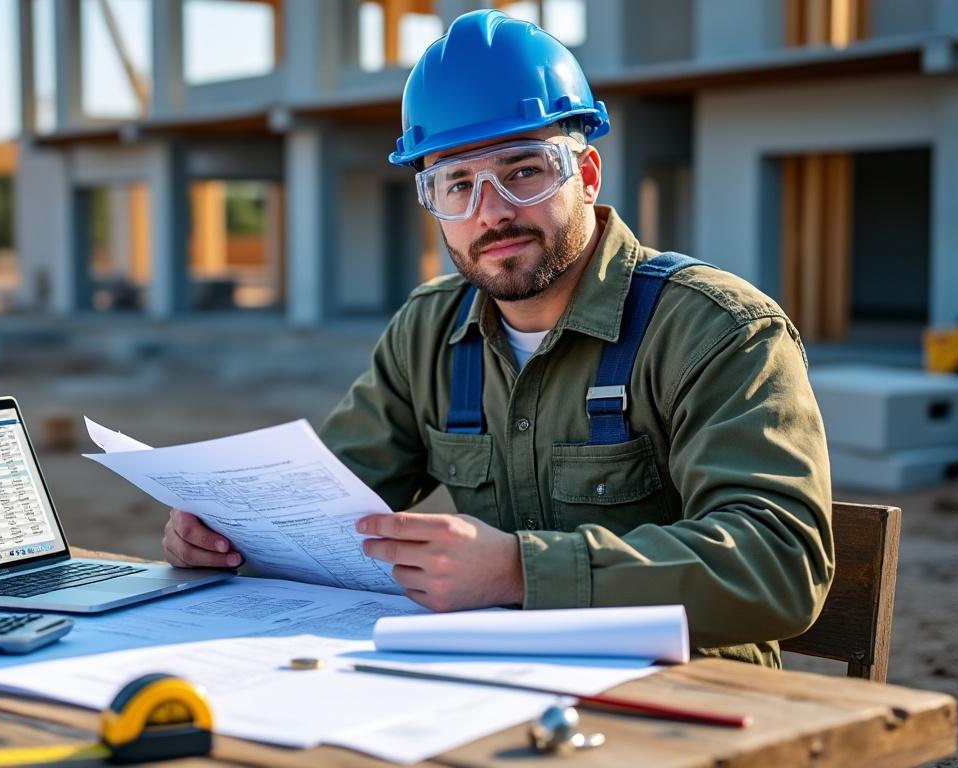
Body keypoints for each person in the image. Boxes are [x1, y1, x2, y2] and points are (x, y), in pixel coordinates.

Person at [162, 10, 833, 666]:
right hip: (490, 676)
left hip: (687, 694)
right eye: (456, 184)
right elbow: (328, 506)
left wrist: (521, 572)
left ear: (587, 175)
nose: (492, 211)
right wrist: (232, 534)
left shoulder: (715, 329)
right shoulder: (431, 331)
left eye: (523, 170)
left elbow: (780, 562)